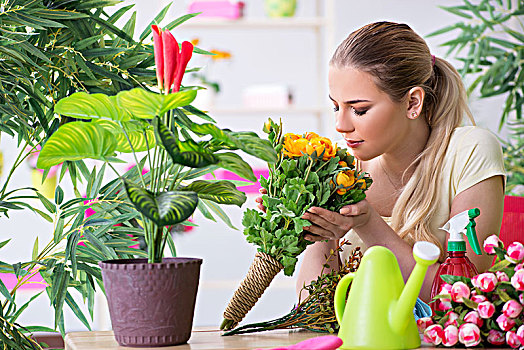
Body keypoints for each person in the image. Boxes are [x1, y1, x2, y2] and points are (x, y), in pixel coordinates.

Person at [258, 21, 505, 303]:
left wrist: (368, 223)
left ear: (413, 103)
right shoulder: (343, 171)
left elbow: (459, 298)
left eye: (359, 110)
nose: (340, 125)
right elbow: (312, 311)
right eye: (336, 106)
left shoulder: (469, 151)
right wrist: (318, 226)